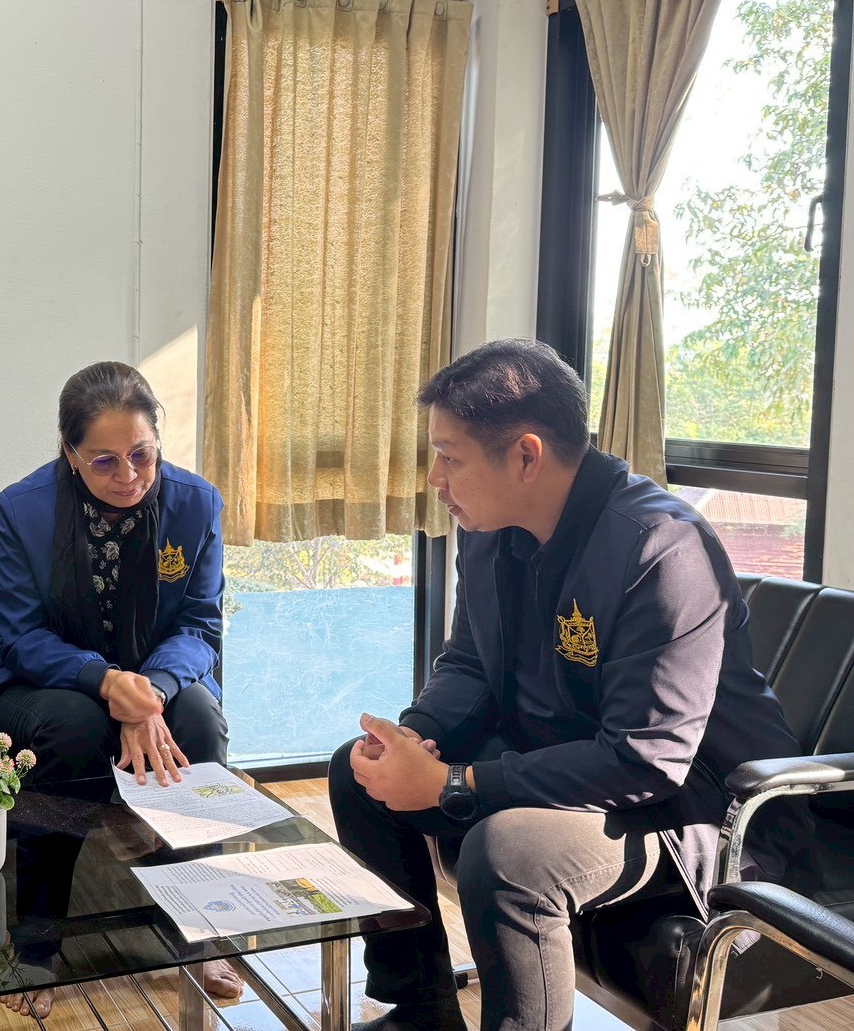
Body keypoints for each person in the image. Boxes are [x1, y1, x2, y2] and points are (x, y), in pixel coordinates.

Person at [328, 339, 811, 1031]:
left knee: (509, 854)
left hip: (696, 809)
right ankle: (421, 1012)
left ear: (525, 456)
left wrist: (456, 784)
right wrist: (415, 738)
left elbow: (647, 759)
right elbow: (469, 664)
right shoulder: (489, 529)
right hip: (571, 764)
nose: (435, 478)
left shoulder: (659, 548)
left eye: (450, 457)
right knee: (358, 774)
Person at [0, 360, 240, 1013]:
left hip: (155, 676)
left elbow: (200, 625)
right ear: (70, 453)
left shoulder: (196, 503)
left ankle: (202, 926)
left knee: (199, 724)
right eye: (104, 462)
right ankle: (36, 943)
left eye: (141, 454)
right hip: (47, 678)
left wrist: (152, 691)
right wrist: (106, 681)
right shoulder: (24, 507)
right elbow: (22, 634)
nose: (129, 476)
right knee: (74, 728)